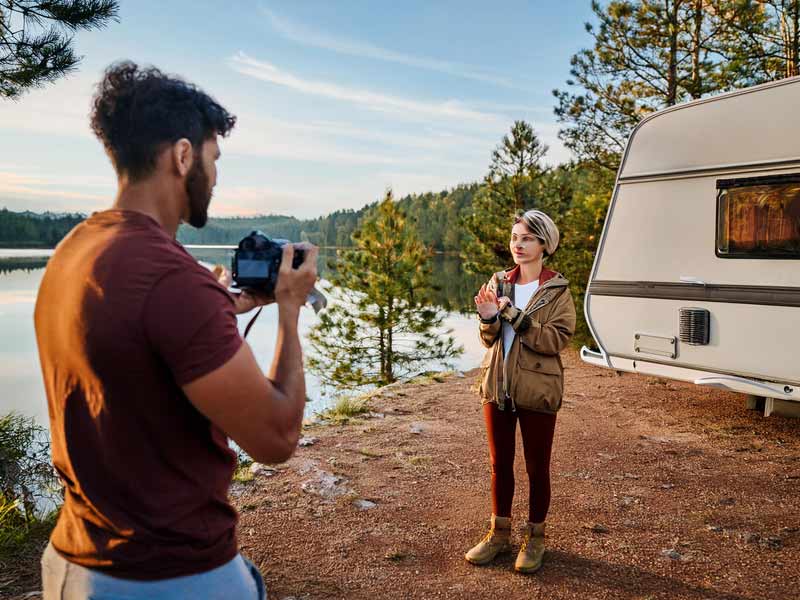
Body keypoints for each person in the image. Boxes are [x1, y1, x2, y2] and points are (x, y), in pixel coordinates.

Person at [34, 61, 318, 598]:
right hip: (167, 577)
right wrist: (287, 307)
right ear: (183, 156)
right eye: (213, 160)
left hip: (74, 561)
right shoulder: (171, 282)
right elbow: (277, 437)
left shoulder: (74, 251)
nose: (214, 176)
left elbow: (127, 357)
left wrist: (214, 308)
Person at [465, 209, 576, 574]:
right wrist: (487, 318)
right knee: (500, 466)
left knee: (536, 467)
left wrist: (513, 315)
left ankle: (536, 538)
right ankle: (499, 535)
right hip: (497, 386)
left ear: (545, 244)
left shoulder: (557, 290)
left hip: (538, 389)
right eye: (515, 238)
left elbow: (554, 341)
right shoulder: (498, 281)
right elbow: (489, 341)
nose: (518, 245)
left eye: (527, 238)